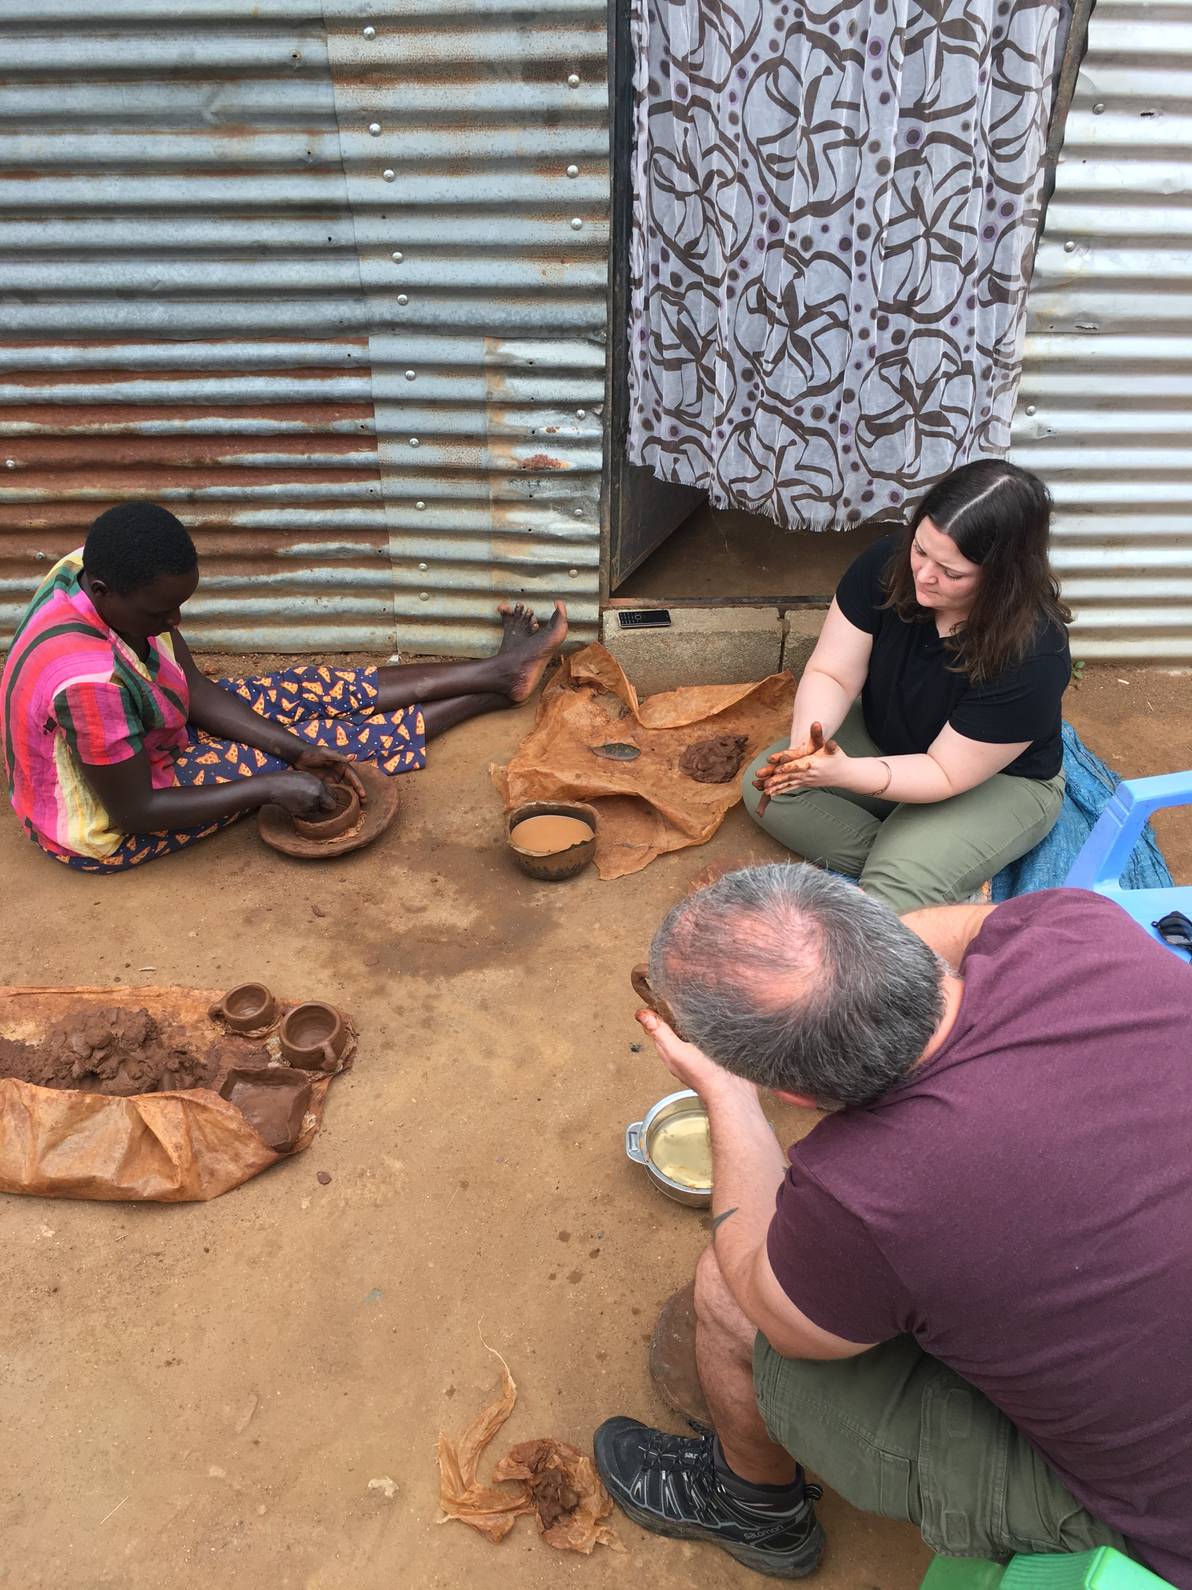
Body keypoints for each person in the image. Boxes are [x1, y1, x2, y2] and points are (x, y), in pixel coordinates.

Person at [595, 864, 1192, 1585]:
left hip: (1160, 1515)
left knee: (723, 1294)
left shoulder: (864, 1194)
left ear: (794, 1094)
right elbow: (970, 926)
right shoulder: (1078, 929)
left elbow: (770, 1303)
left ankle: (751, 1508)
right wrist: (848, 974)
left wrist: (726, 1095)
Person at [0, 501, 567, 871]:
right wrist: (269, 785)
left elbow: (192, 687)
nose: (175, 623)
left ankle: (494, 673)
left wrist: (293, 747)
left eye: (180, 606)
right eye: (161, 613)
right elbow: (137, 811)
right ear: (103, 590)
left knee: (302, 692)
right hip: (112, 821)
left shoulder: (85, 570)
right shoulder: (89, 682)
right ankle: (496, 687)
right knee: (316, 755)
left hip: (148, 734)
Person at [742, 460, 1071, 913]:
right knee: (772, 786)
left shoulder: (1034, 652)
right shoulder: (888, 562)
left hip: (992, 780)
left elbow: (944, 772)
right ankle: (923, 866)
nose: (924, 575)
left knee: (891, 894)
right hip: (889, 738)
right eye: (920, 550)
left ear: (1003, 576)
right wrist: (807, 748)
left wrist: (842, 774)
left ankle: (913, 868)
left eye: (952, 573)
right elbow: (833, 673)